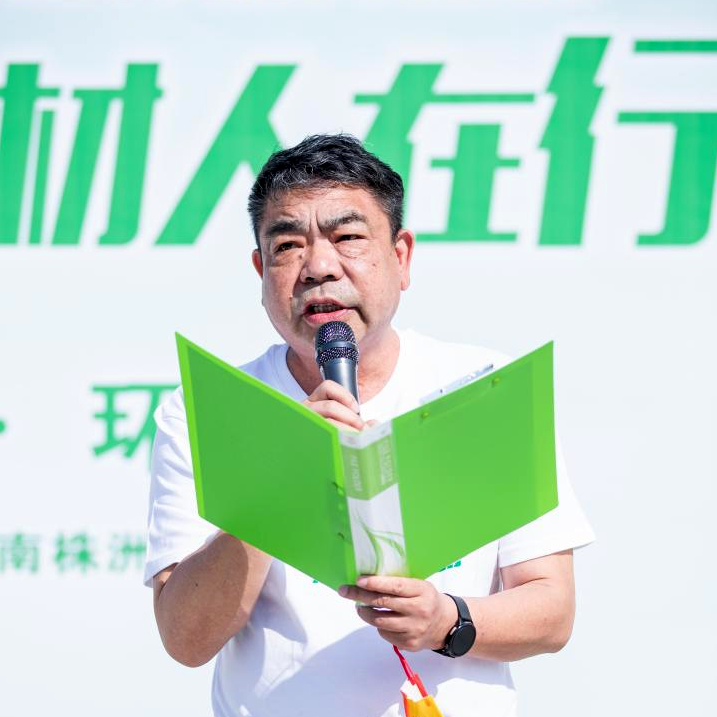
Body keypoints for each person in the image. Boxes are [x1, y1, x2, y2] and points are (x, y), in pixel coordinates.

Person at [145, 134, 594, 717]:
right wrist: (279, 479)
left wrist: (447, 620)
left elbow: (552, 611)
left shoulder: (483, 388)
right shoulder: (206, 410)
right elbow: (185, 639)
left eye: (348, 238)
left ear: (401, 257)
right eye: (287, 246)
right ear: (260, 269)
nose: (318, 268)